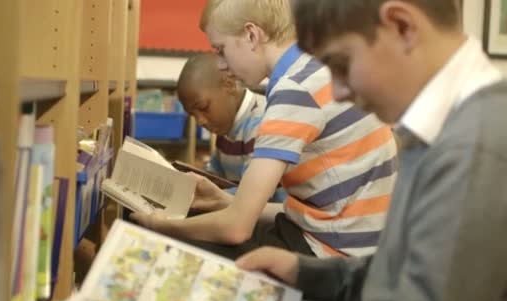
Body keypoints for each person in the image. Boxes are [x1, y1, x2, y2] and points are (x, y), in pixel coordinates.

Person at [110, 0, 507, 301]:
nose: (337, 93)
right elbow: (395, 271)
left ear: (402, 27)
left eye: (341, 63)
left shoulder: (476, 146)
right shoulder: (440, 127)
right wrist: (304, 272)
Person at [132, 0, 397, 260]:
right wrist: (224, 201)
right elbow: (313, 212)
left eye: (221, 50)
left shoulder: (296, 90)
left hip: (333, 254)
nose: (222, 65)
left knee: (157, 239)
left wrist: (161, 227)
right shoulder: (316, 67)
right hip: (359, 243)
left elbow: (236, 229)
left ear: (251, 35)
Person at [177, 53, 286, 202]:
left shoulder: (261, 124)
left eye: (203, 108)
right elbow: (214, 176)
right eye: (192, 115)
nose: (200, 121)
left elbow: (253, 196)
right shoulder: (226, 129)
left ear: (229, 85)